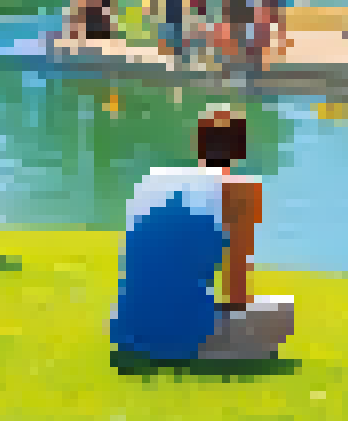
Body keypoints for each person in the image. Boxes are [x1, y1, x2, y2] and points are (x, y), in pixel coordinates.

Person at [110, 107, 296, 362]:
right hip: (183, 337)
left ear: (198, 146)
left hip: (127, 332)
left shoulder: (151, 179)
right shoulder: (242, 190)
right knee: (284, 309)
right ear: (240, 151)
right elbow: (237, 295)